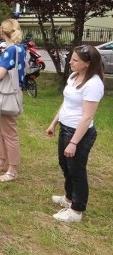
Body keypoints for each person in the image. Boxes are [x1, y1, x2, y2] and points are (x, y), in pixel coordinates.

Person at [46, 45, 104, 223]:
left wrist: (74, 143)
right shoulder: (73, 77)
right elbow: (66, 103)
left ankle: (77, 210)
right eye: (71, 58)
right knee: (65, 165)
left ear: (87, 63)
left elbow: (86, 117)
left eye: (75, 60)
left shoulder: (93, 84)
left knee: (77, 170)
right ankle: (69, 198)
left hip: (79, 134)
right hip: (65, 128)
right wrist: (54, 122)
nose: (70, 62)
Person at [0, 18, 26, 183]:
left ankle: (12, 169)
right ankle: (2, 162)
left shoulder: (10, 50)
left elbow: (0, 75)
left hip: (6, 96)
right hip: (6, 94)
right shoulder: (20, 49)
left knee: (9, 133)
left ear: (2, 32)